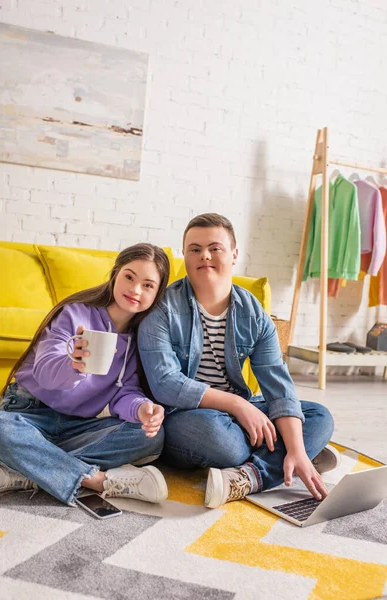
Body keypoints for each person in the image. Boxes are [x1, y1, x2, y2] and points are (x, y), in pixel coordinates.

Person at [138, 214, 337, 509]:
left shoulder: (253, 312)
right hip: (186, 416)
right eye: (194, 249)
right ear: (186, 256)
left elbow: (278, 385)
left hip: (239, 414)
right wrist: (238, 406)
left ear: (233, 255)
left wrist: (295, 444)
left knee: (319, 416)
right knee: (222, 440)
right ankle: (283, 455)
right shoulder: (162, 308)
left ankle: (253, 475)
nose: (204, 255)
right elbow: (166, 384)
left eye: (214, 248)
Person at [0, 243, 170, 506]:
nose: (135, 289)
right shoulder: (74, 314)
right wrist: (74, 364)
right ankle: (96, 480)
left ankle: (26, 468)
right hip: (29, 413)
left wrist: (143, 409)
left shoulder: (141, 337)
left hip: (75, 424)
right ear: (115, 274)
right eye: (129, 276)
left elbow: (125, 392)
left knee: (151, 436)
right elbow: (46, 372)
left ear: (156, 293)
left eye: (148, 285)